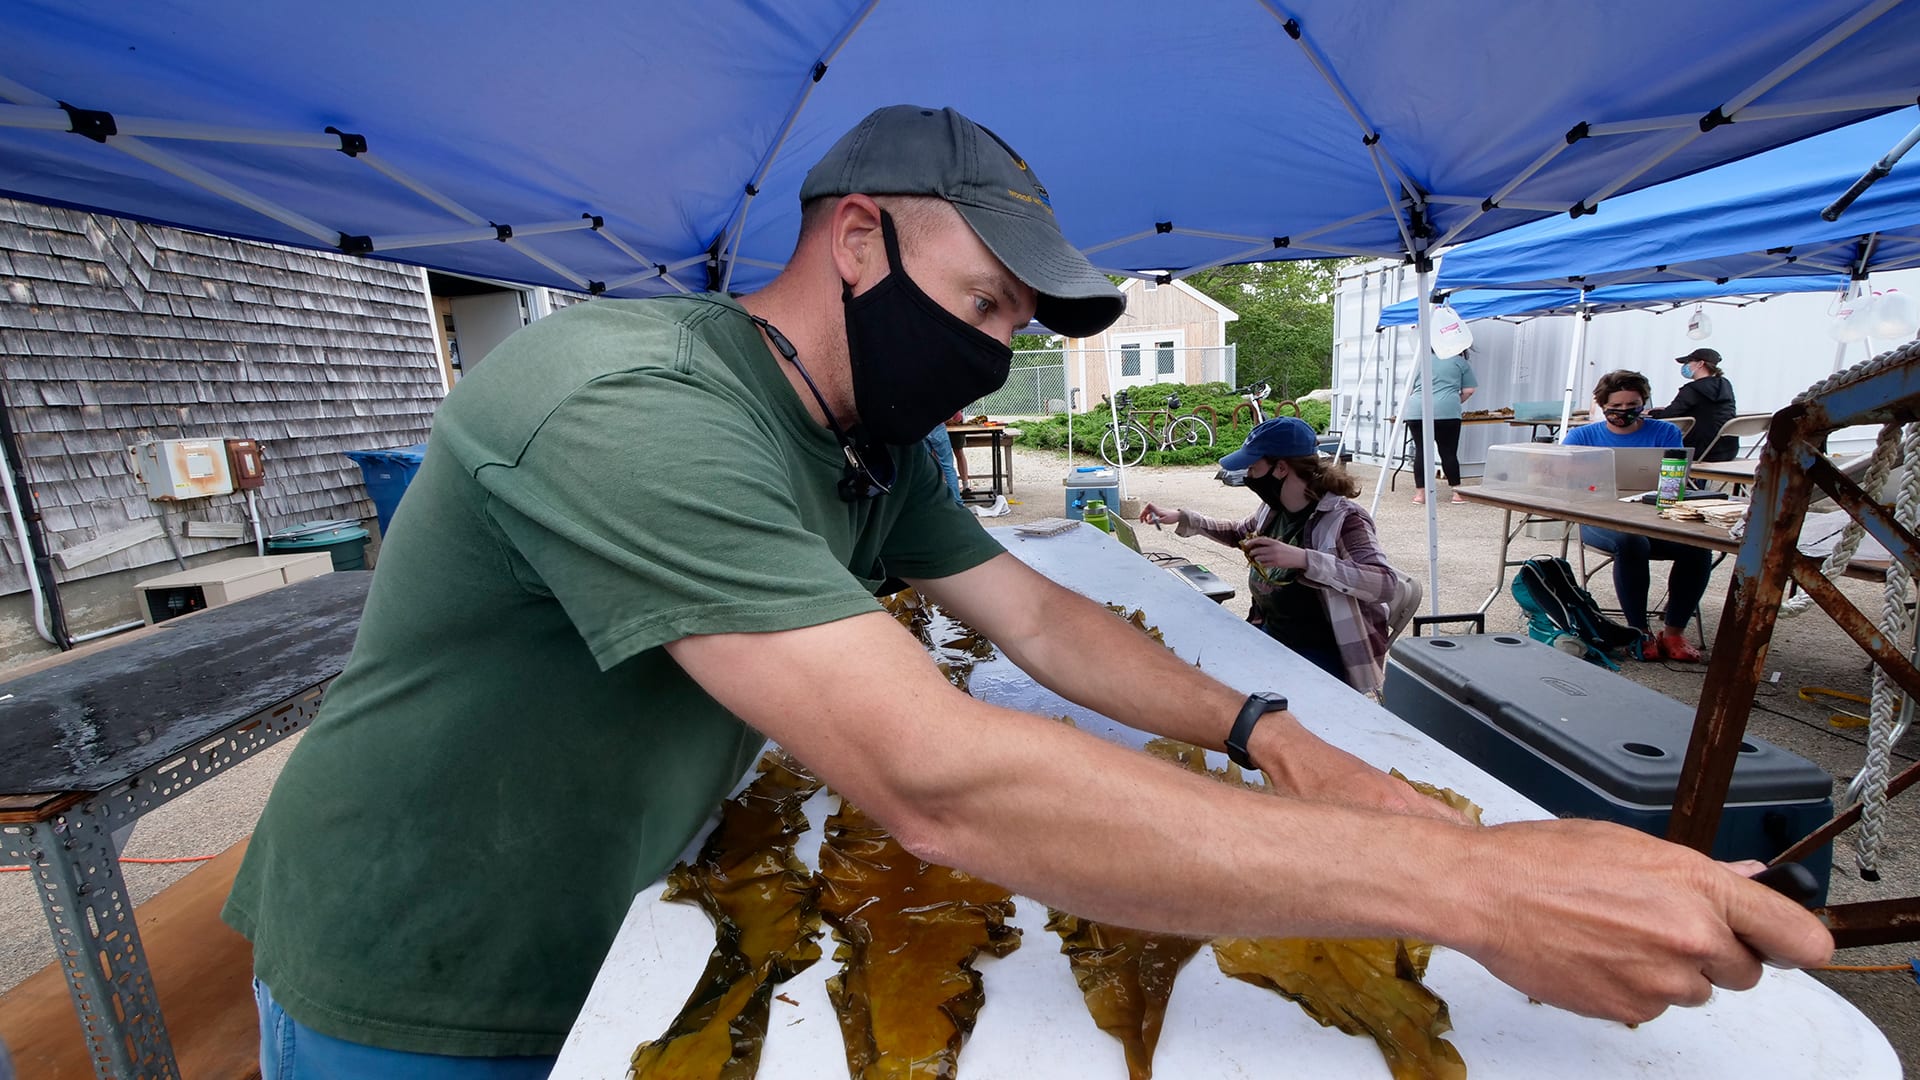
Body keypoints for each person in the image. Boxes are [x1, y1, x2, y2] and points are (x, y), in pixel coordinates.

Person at [224, 105, 1827, 1077]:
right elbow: (938, 778)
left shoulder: (868, 432)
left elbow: (1045, 619)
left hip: (632, 889)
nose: (993, 351)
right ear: (857, 239)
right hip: (432, 956)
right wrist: (1477, 892)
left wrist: (1268, 723)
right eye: (981, 298)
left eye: (1013, 326)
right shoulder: (625, 400)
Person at [1139, 417, 1397, 692]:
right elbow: (1240, 532)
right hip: (1272, 634)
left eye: (1253, 467)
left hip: (1323, 654)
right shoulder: (1274, 509)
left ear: (1281, 468)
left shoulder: (1346, 520)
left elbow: (1384, 583)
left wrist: (1304, 559)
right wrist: (1182, 517)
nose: (1249, 476)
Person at [1564, 369, 1712, 662]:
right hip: (1600, 519)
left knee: (1697, 545)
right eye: (1616, 408)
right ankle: (1638, 631)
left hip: (1653, 516)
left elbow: (1674, 481)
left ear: (1644, 403)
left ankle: (1673, 632)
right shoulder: (1581, 436)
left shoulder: (1664, 433)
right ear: (1602, 404)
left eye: (1632, 407)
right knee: (1632, 542)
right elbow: (1564, 482)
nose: (1624, 413)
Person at [1400, 349, 1478, 504]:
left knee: (1421, 451)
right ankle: (1457, 494)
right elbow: (1469, 390)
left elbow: (1408, 389)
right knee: (1448, 452)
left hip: (1418, 411)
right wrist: (1452, 401)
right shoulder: (1459, 362)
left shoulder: (1420, 361)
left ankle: (1420, 495)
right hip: (1447, 412)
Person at [1648, 347, 1738, 462]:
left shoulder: (1692, 389)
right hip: (1728, 450)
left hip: (1700, 452)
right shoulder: (1725, 384)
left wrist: (1651, 412)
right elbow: (1705, 411)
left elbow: (1667, 415)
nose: (1685, 366)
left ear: (1700, 364)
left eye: (1688, 362)